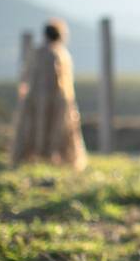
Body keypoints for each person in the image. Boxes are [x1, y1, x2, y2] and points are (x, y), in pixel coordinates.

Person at [10, 18, 87, 171]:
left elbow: (26, 77)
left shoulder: (37, 53)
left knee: (33, 127)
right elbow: (65, 83)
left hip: (35, 99)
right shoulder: (61, 55)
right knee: (57, 128)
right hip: (57, 99)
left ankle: (31, 155)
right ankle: (55, 156)